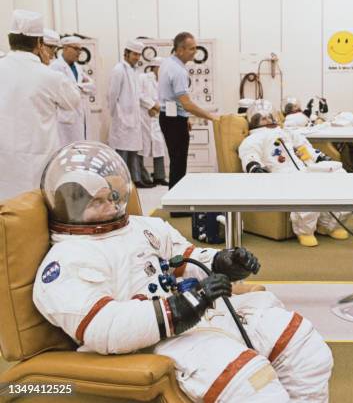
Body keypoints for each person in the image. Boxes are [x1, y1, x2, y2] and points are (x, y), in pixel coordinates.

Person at [33, 141, 333, 402]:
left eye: (111, 197)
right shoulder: (67, 260)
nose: (110, 206)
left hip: (200, 315)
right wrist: (178, 308)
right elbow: (103, 326)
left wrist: (221, 263)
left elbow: (184, 259)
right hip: (153, 340)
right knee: (252, 383)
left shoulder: (143, 227)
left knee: (305, 348)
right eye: (96, 201)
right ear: (69, 205)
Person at [238, 100, 350, 247]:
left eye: (271, 116)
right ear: (254, 122)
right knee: (304, 186)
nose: (269, 119)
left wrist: (319, 157)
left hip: (305, 169)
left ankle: (330, 225)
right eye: (264, 118)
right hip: (281, 176)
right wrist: (255, 168)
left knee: (340, 175)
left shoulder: (287, 132)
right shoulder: (254, 138)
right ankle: (305, 231)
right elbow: (249, 155)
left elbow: (305, 147)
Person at [0, 9, 80, 201]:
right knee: (32, 215)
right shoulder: (49, 76)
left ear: (10, 39)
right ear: (39, 43)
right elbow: (73, 100)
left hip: (4, 164)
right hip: (36, 167)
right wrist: (44, 66)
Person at [158, 32, 219, 193]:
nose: (195, 52)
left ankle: (175, 198)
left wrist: (184, 119)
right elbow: (187, 104)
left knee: (176, 161)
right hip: (173, 120)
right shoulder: (178, 71)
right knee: (178, 162)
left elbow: (176, 100)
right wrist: (211, 117)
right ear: (180, 50)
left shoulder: (167, 63)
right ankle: (177, 205)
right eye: (191, 49)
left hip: (169, 117)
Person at [108, 39, 153, 189]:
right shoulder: (119, 70)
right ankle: (121, 182)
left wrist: (151, 105)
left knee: (133, 150)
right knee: (122, 152)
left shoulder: (134, 71)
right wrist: (117, 114)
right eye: (134, 54)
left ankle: (135, 179)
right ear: (126, 53)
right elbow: (112, 94)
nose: (137, 57)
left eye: (139, 55)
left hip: (133, 118)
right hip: (122, 117)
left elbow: (138, 94)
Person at [50, 36, 96, 146]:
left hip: (81, 115)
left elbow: (92, 87)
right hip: (66, 120)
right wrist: (82, 87)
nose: (79, 52)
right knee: (67, 150)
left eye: (80, 49)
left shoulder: (78, 67)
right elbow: (63, 93)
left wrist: (76, 87)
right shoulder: (55, 67)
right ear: (65, 48)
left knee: (81, 148)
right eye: (76, 49)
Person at [137, 57, 167, 186]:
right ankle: (142, 177)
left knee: (159, 146)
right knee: (140, 147)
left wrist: (158, 108)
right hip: (144, 116)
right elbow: (139, 95)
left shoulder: (164, 82)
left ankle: (159, 176)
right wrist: (152, 106)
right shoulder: (143, 78)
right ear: (155, 67)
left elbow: (166, 98)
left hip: (156, 117)